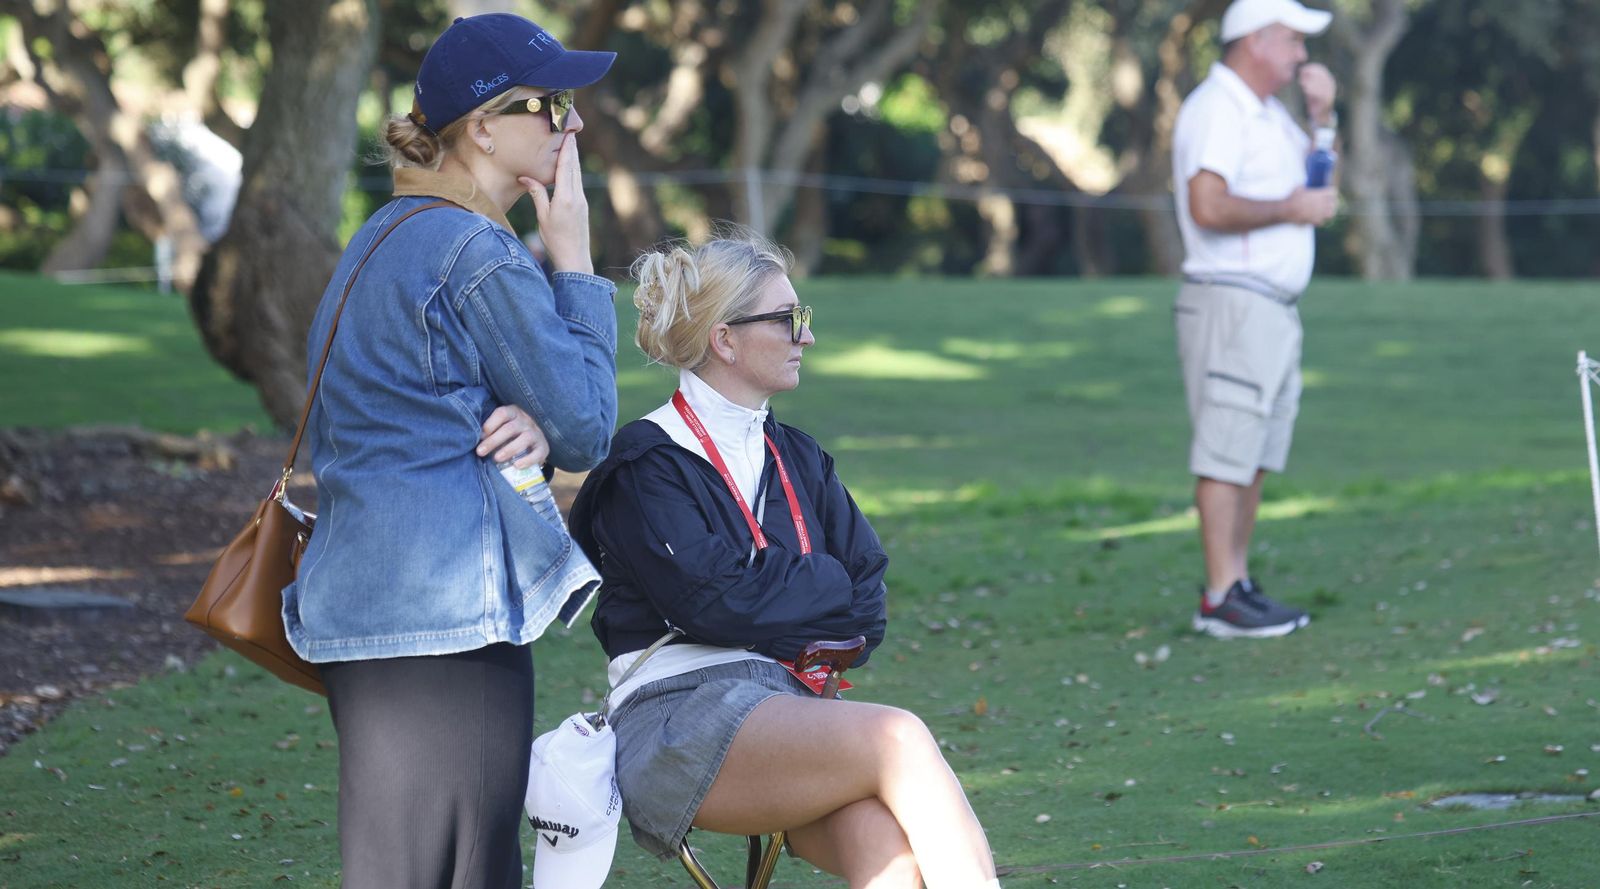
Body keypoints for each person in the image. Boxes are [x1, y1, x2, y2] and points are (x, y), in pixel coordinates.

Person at [280, 14, 618, 888]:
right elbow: (585, 424)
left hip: (359, 611)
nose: (572, 124)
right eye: (551, 105)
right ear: (482, 125)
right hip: (446, 615)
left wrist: (530, 423)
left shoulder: (381, 239)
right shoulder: (475, 250)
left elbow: (430, 404)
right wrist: (574, 258)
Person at [568, 231, 1003, 889]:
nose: (808, 336)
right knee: (900, 738)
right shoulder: (646, 463)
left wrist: (773, 591)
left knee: (886, 847)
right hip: (678, 715)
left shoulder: (798, 455)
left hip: (789, 702)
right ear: (725, 339)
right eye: (791, 318)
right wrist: (819, 578)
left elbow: (867, 605)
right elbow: (711, 603)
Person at [1171, 0, 1339, 639]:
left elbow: (1319, 190)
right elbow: (1207, 205)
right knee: (1226, 452)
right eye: (1292, 40)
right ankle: (1219, 597)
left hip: (1270, 307)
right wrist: (1291, 206)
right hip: (1231, 301)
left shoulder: (1268, 114)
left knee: (1255, 453)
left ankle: (1236, 583)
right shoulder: (1217, 108)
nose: (1301, 54)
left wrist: (1324, 119)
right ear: (1256, 40)